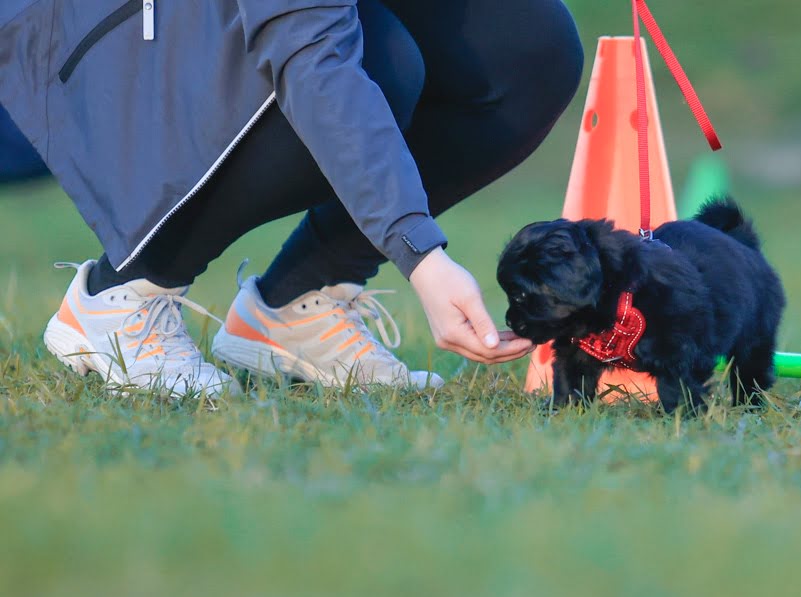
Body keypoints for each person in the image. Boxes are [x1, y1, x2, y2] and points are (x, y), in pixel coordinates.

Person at [0, 0, 584, 395]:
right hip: (109, 31)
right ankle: (122, 297)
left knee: (530, 46)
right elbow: (311, 56)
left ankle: (298, 306)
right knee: (376, 66)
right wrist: (420, 254)